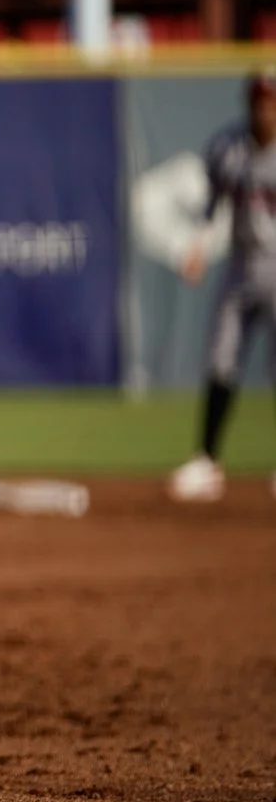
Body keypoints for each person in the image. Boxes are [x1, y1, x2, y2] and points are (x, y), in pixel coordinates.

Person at [169, 70, 276, 504]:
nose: (265, 110)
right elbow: (210, 203)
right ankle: (206, 460)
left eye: (271, 103)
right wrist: (197, 246)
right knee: (221, 360)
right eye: (259, 102)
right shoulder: (228, 147)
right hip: (241, 265)